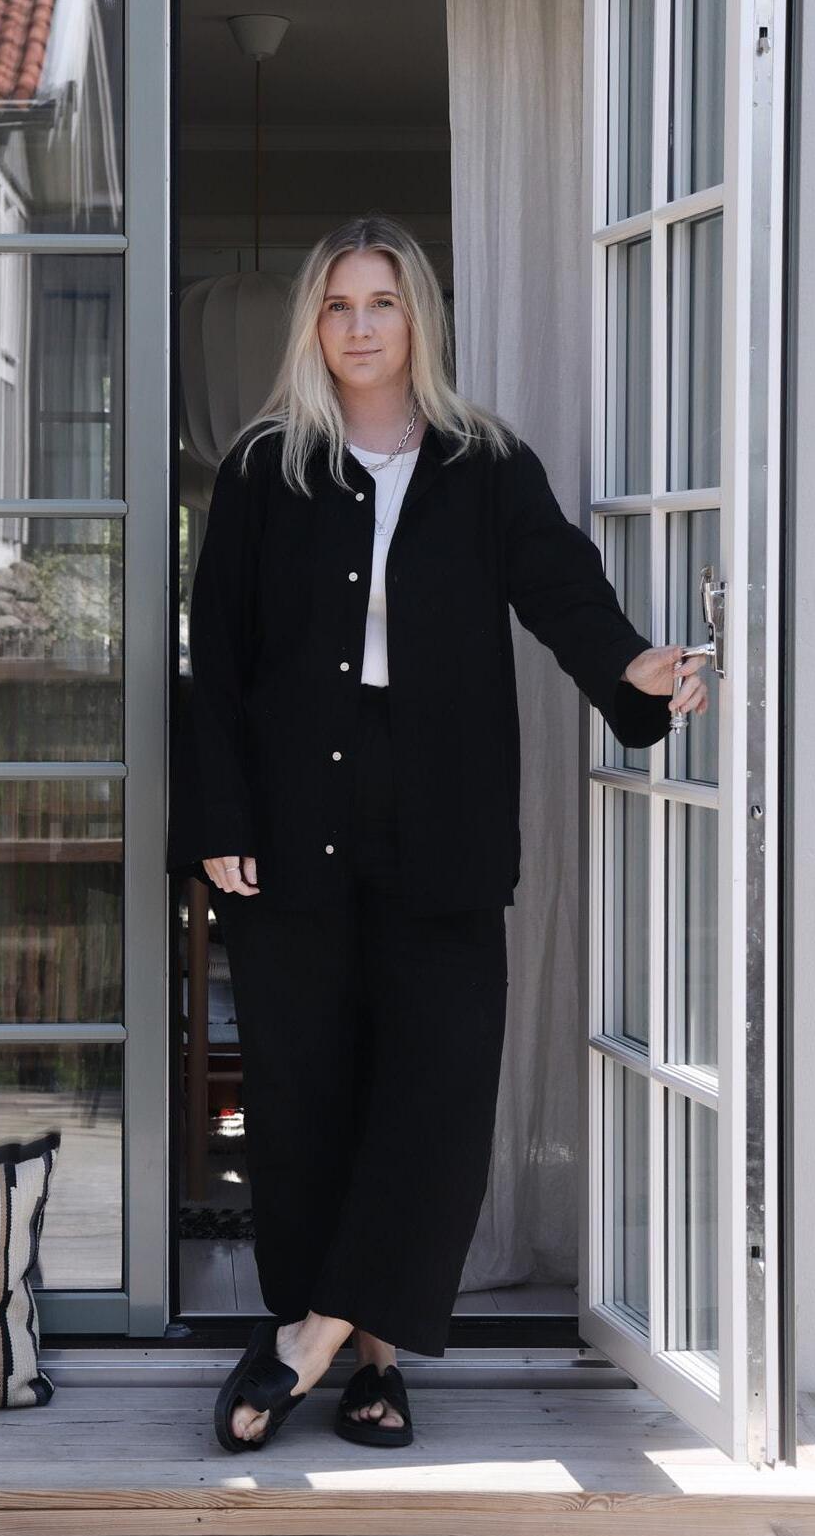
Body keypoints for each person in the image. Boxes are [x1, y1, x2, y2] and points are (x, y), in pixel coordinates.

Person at [166, 213, 709, 1455]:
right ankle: (373, 1362)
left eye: (383, 303)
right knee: (305, 1092)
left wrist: (634, 667)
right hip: (291, 814)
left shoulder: (485, 464)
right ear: (313, 325)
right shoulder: (265, 467)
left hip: (443, 812)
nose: (359, 327)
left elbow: (563, 589)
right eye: (338, 305)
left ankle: (310, 1337)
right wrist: (220, 819)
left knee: (437, 1090)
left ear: (419, 319)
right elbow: (218, 658)